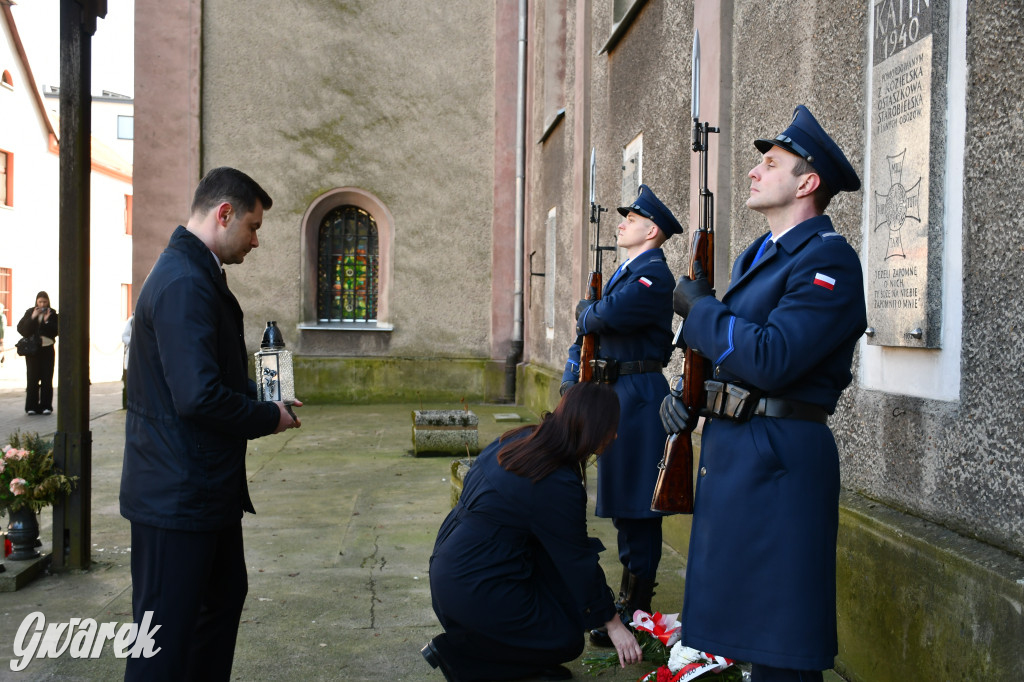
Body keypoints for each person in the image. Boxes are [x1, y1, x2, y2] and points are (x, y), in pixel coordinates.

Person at [661, 105, 867, 682]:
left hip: (778, 461)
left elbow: (773, 358)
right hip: (739, 456)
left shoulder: (828, 260)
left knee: (781, 646)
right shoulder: (759, 254)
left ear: (807, 182)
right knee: (742, 633)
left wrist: (702, 311)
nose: (754, 172)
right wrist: (693, 398)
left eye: (770, 163)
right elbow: (736, 361)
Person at [120, 167, 302, 681]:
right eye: (253, 226)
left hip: (201, 491)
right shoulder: (183, 281)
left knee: (219, 602)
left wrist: (264, 396)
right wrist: (269, 416)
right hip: (175, 496)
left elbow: (213, 375)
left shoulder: (197, 273)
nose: (257, 241)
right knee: (162, 638)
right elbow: (197, 398)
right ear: (224, 214)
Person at [424, 382, 643, 681]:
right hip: (474, 588)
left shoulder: (522, 438)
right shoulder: (556, 481)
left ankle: (481, 644)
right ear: (593, 428)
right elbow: (577, 560)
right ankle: (461, 658)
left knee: (566, 607)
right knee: (565, 640)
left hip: (451, 571)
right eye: (611, 427)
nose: (615, 435)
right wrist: (614, 623)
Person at [559, 184, 682, 646]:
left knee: (639, 508)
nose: (620, 224)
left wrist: (588, 311)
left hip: (638, 396)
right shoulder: (628, 270)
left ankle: (636, 610)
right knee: (623, 505)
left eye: (629, 220)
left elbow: (604, 317)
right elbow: (587, 329)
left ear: (651, 230)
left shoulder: (654, 274)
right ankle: (628, 607)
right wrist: (572, 382)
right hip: (614, 394)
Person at [16, 291, 59, 415]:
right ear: (36, 302)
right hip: (33, 351)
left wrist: (46, 321)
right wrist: (33, 317)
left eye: (44, 302)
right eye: (40, 302)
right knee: (32, 378)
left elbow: (56, 331)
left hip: (47, 349)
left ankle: (46, 406)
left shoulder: (52, 313)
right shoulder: (30, 312)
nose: (42, 304)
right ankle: (31, 406)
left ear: (48, 302)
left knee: (47, 378)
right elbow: (22, 330)